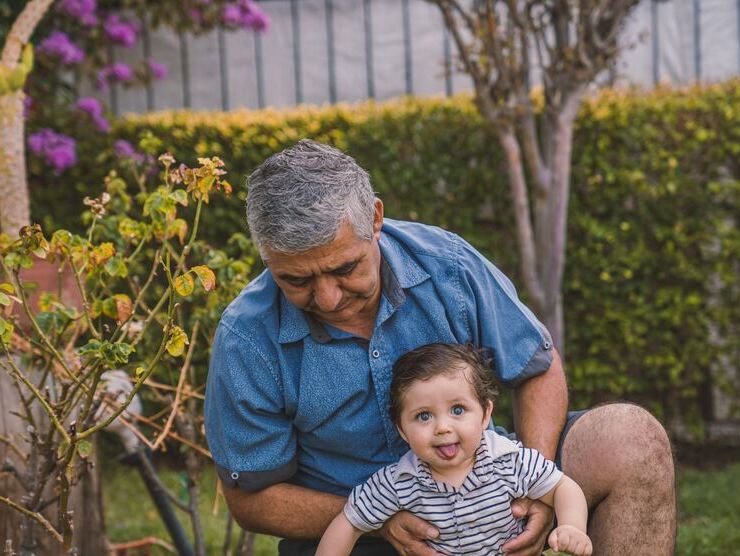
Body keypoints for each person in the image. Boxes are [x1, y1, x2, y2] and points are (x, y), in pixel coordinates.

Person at [204, 139, 676, 555]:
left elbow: (535, 366)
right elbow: (251, 499)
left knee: (629, 438)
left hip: (493, 487)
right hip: (357, 532)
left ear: (375, 219)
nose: (327, 298)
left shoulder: (446, 264)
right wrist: (379, 519)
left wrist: (536, 488)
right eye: (296, 280)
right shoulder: (247, 339)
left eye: (345, 268)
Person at [316, 343, 592, 556]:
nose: (442, 428)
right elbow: (349, 522)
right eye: (423, 416)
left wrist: (572, 526)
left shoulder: (507, 460)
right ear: (402, 429)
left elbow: (562, 487)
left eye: (457, 410)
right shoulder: (400, 481)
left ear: (485, 415)